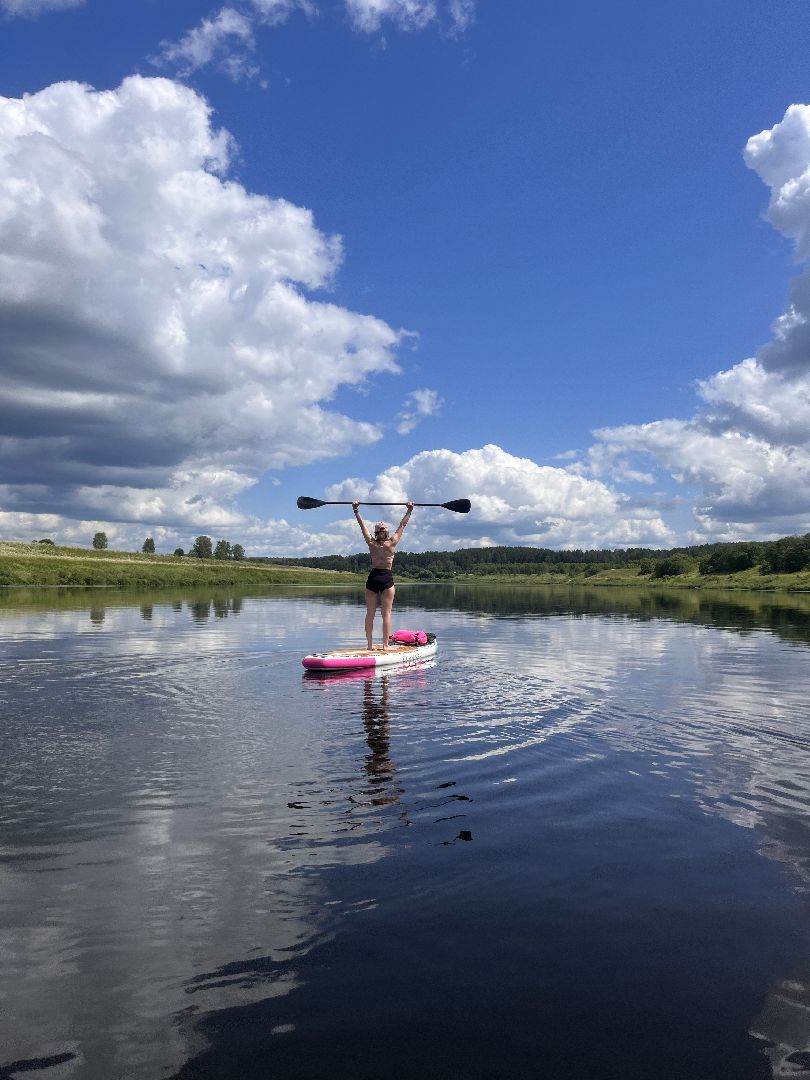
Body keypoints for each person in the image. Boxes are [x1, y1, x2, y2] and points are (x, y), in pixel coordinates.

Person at [352, 500, 413, 650]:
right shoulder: (392, 542)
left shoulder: (371, 543)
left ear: (376, 532)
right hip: (386, 578)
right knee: (386, 614)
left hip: (373, 577)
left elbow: (362, 526)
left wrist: (356, 510)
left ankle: (369, 646)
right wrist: (409, 510)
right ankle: (385, 646)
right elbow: (402, 525)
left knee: (370, 614)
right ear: (386, 532)